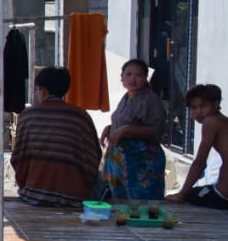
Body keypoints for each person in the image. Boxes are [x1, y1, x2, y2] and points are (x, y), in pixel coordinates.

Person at [12, 67, 102, 207]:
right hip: (73, 197)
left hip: (34, 194)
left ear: (43, 90)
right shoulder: (80, 116)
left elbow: (18, 157)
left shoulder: (28, 115)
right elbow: (93, 155)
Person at [166, 84, 228, 209]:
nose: (198, 111)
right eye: (194, 107)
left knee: (189, 195)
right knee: (197, 191)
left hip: (227, 195)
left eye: (202, 106)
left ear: (216, 104)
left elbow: (200, 162)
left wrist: (182, 194)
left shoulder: (211, 121)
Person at [100, 59, 167, 200]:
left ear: (145, 78)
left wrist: (126, 130)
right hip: (120, 160)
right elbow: (125, 121)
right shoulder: (126, 97)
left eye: (139, 75)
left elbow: (156, 131)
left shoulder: (150, 99)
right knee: (121, 202)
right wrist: (110, 129)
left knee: (140, 204)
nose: (133, 79)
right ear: (122, 78)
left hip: (141, 162)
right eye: (128, 74)